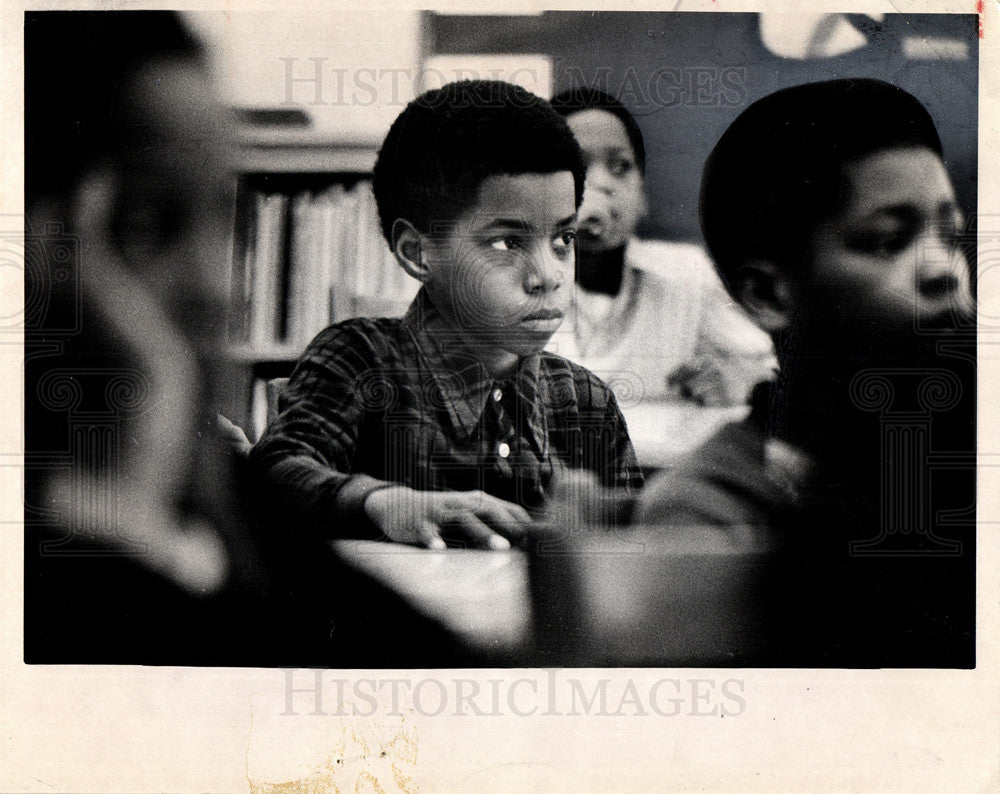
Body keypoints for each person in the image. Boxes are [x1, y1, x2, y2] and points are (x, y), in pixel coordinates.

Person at [632, 78, 975, 665]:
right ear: (769, 294)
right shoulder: (709, 515)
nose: (945, 270)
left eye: (953, 236)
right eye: (890, 241)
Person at [250, 80, 643, 553]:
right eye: (506, 243)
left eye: (563, 239)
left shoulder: (587, 403)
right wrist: (386, 503)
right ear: (418, 252)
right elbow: (274, 470)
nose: (548, 276)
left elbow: (639, 551)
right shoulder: (362, 359)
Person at [22, 11, 291, 664]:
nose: (218, 289)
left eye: (221, 217)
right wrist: (130, 495)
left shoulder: (222, 488)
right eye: (144, 224)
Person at [546, 87, 775, 406]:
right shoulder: (519, 280)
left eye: (620, 167)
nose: (602, 186)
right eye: (576, 167)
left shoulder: (685, 274)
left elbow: (765, 369)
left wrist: (738, 381)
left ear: (642, 196)